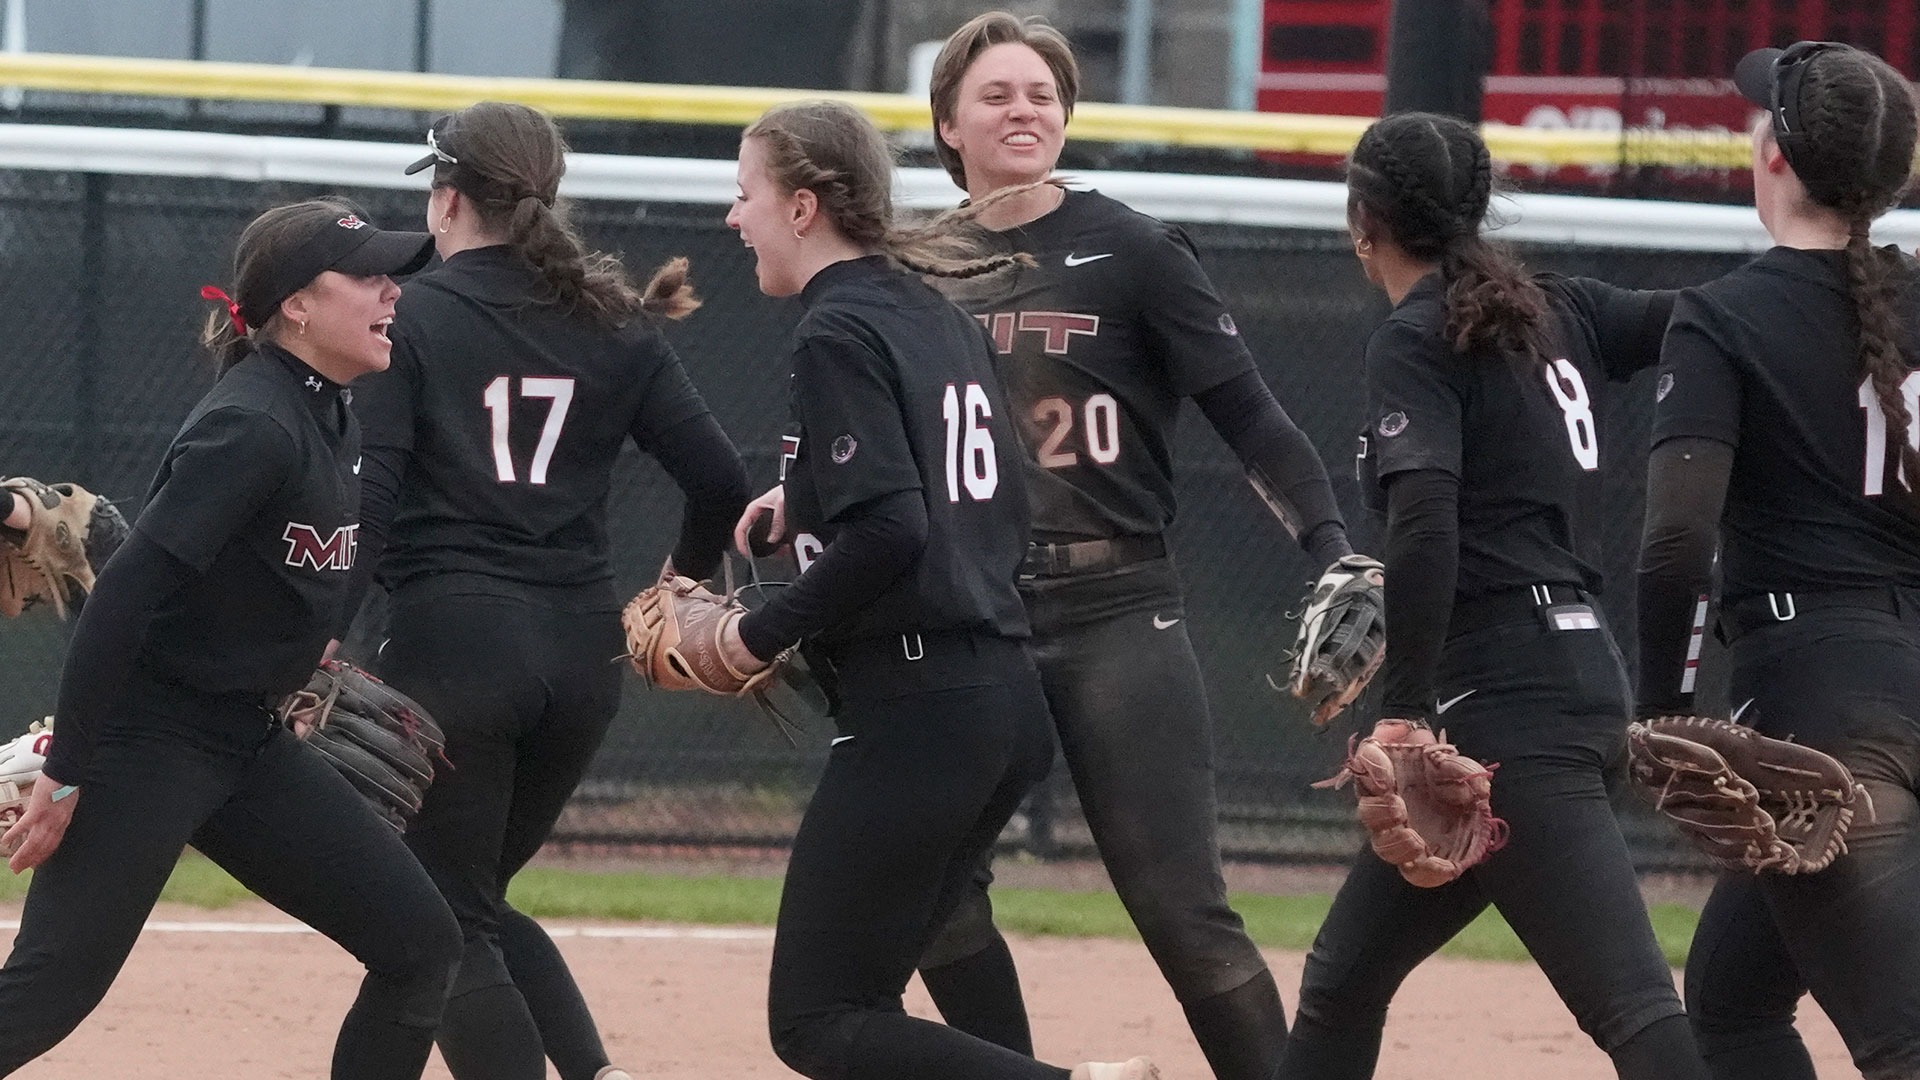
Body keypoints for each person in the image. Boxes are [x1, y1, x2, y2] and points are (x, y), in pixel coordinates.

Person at [910, 14, 1364, 1079]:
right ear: (946, 123)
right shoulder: (913, 267)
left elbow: (1251, 419)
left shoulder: (1135, 248)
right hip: (976, 617)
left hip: (1116, 609)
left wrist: (1332, 546)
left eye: (1042, 94)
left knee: (1177, 904)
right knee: (931, 895)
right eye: (997, 94)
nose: (1024, 109)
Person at [723, 98, 1157, 1080]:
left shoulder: (834, 329)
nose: (731, 216)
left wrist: (761, 629)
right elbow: (978, 500)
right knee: (912, 955)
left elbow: (893, 527)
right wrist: (805, 495)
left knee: (821, 1019)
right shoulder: (933, 310)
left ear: (802, 207)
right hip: (999, 696)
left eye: (744, 193)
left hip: (918, 707)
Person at [1272, 112, 1712, 1080]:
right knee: (1344, 979)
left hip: (1510, 714)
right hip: (1570, 684)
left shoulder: (1418, 335)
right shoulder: (1559, 307)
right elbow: (1706, 321)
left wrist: (1401, 716)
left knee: (1636, 1013)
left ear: (1363, 221)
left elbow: (1429, 520)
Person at [0, 198, 462, 1079]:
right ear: (297, 303)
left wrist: (297, 661)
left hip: (246, 741)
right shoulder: (251, 424)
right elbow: (121, 602)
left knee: (420, 945)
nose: (392, 292)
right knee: (49, 991)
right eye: (366, 276)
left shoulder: (330, 411)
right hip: (150, 743)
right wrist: (69, 773)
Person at [346, 101, 750, 1080]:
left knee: (446, 918)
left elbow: (378, 500)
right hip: (581, 655)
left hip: (454, 649)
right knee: (470, 904)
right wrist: (685, 584)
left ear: (446, 200)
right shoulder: (615, 322)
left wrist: (321, 635)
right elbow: (723, 481)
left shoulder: (413, 314)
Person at [1635, 42, 1920, 1080]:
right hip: (1901, 682)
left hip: (1822, 719)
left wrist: (1658, 706)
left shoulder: (1725, 315)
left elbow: (1676, 546)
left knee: (1903, 1044)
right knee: (1732, 1002)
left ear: (1776, 159)